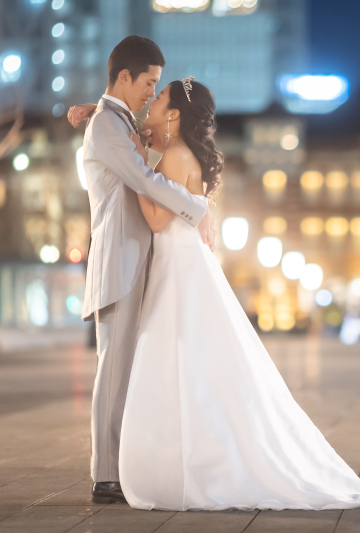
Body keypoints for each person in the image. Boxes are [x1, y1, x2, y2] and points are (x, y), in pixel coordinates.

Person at [70, 56, 360, 513]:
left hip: (176, 271)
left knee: (179, 364)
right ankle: (190, 455)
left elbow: (155, 219)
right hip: (182, 269)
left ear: (173, 116)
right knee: (195, 365)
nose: (149, 103)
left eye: (159, 98)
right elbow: (156, 173)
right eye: (148, 91)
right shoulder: (174, 151)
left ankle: (176, 458)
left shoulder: (171, 155)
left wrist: (135, 168)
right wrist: (114, 131)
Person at [70, 35, 216, 506]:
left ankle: (124, 467)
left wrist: (95, 110)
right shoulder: (107, 126)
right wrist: (198, 206)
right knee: (113, 370)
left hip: (138, 258)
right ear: (125, 77)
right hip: (121, 259)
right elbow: (144, 178)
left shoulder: (112, 120)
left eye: (158, 88)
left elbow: (128, 129)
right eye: (148, 83)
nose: (151, 94)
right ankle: (105, 475)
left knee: (129, 369)